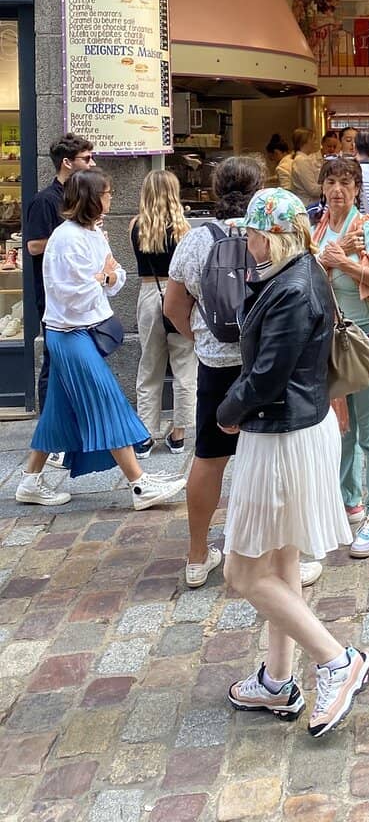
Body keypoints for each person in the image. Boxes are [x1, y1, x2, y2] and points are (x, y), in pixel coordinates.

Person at [218, 188, 369, 737]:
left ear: (273, 233)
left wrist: (227, 409)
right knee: (281, 561)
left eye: (252, 232)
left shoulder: (291, 286)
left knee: (242, 571)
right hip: (292, 430)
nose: (247, 241)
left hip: (280, 435)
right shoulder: (297, 274)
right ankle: (278, 680)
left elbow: (267, 375)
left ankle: (337, 659)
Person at [16, 170, 187, 512]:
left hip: (78, 331)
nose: (111, 199)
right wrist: (102, 278)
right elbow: (72, 292)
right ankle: (139, 483)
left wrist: (104, 277)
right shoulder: (66, 238)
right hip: (68, 333)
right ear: (92, 199)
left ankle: (30, 479)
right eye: (107, 194)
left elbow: (116, 275)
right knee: (107, 401)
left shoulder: (92, 234)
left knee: (57, 412)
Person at [165, 155, 264, 588]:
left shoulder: (195, 239)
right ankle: (265, 554)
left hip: (216, 363)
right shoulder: (270, 234)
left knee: (208, 458)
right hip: (263, 362)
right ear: (259, 188)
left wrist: (201, 338)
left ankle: (196, 555)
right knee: (268, 459)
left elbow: (172, 305)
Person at [313, 156, 369, 558]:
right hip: (333, 340)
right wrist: (326, 258)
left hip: (365, 339)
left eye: (346, 183)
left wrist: (343, 261)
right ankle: (349, 501)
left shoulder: (367, 228)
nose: (338, 190)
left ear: (358, 188)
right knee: (340, 428)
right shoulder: (319, 227)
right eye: (332, 181)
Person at [24, 133, 97, 424]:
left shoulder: (79, 198)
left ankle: (73, 418)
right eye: (86, 159)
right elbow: (33, 245)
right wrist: (71, 237)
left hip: (81, 293)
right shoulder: (45, 200)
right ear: (67, 163)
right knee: (54, 361)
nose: (92, 164)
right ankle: (50, 424)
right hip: (55, 295)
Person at [129, 171, 198, 457]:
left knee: (150, 366)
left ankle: (145, 434)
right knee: (184, 366)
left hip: (149, 294)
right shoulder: (185, 229)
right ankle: (179, 434)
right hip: (178, 297)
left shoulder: (136, 225)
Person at [288, 128, 323, 207]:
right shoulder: (301, 161)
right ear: (305, 142)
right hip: (308, 205)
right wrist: (329, 186)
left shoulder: (306, 159)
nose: (316, 142)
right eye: (314, 139)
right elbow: (313, 190)